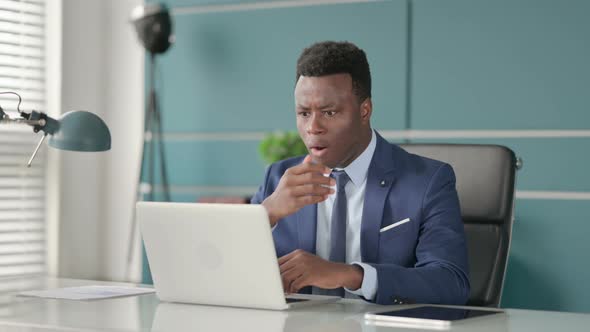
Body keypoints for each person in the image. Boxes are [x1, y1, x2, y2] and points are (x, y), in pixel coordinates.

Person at [251, 41, 470, 305]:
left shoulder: (428, 182)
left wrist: (350, 275)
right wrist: (266, 214)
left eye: (329, 112)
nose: (313, 127)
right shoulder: (277, 179)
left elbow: (451, 283)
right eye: (304, 113)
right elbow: (227, 275)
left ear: (364, 111)